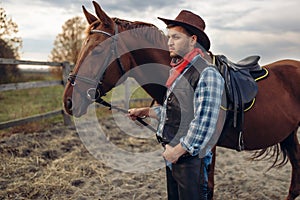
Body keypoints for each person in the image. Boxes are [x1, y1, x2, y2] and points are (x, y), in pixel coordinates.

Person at [128, 10, 226, 200]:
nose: (169, 43)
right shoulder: (180, 72)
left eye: (176, 37)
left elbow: (204, 124)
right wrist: (146, 111)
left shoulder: (207, 73)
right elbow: (177, 113)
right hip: (174, 155)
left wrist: (177, 151)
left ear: (192, 40)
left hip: (190, 160)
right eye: (168, 37)